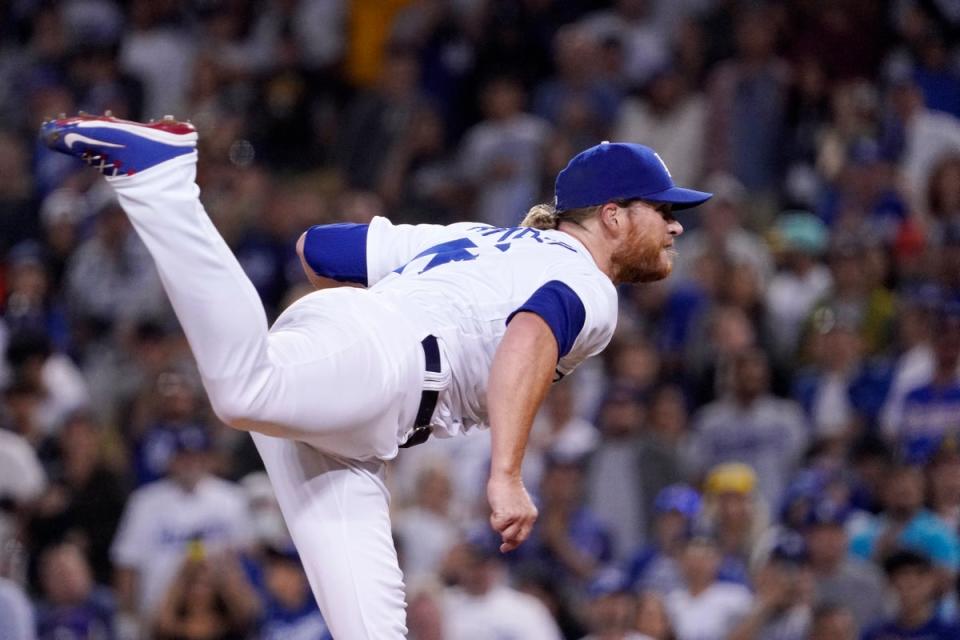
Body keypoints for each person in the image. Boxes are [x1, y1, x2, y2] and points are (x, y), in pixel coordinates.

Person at [40, 114, 711, 638]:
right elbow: (528, 337)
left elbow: (317, 247)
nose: (676, 227)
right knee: (243, 391)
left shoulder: (478, 237)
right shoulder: (590, 286)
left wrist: (416, 294)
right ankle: (160, 184)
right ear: (615, 216)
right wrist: (506, 475)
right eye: (664, 211)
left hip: (362, 408)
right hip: (382, 361)